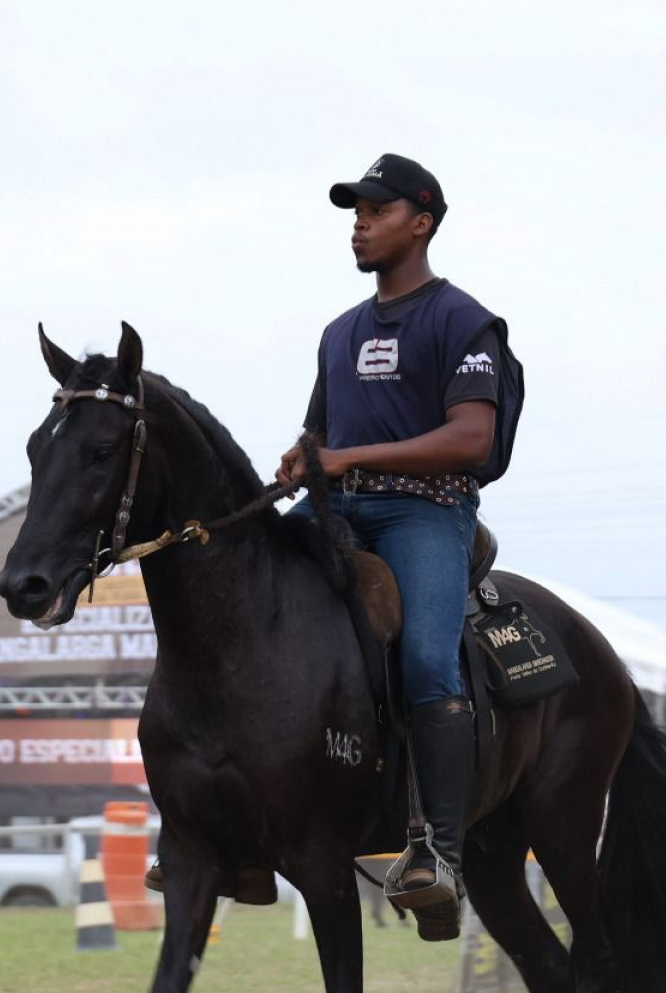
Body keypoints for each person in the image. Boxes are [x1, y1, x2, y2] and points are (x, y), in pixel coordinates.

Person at [276, 153, 521, 940]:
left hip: (426, 515)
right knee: (250, 611)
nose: (360, 224)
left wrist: (351, 459)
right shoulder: (338, 333)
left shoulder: (462, 321)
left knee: (424, 658)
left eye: (376, 212)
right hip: (337, 514)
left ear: (421, 223)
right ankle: (235, 834)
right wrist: (302, 457)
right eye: (354, 213)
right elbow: (322, 434)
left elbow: (471, 436)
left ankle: (437, 855)